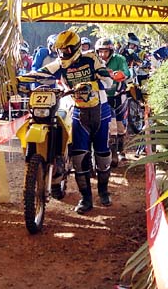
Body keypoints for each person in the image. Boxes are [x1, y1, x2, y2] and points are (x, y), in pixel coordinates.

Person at [36, 30, 115, 214]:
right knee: (79, 158)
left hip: (100, 110)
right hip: (79, 111)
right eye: (61, 50)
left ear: (77, 48)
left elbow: (109, 82)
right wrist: (17, 81)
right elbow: (40, 73)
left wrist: (95, 83)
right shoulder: (59, 64)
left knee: (103, 155)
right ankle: (86, 198)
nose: (63, 53)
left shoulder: (91, 58)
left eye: (67, 49)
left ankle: (103, 191)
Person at [95, 38, 130, 167]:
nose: (103, 54)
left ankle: (121, 150)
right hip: (102, 97)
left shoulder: (119, 59)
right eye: (100, 51)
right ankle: (112, 152)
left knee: (121, 126)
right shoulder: (95, 61)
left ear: (111, 51)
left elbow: (126, 72)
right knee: (111, 125)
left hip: (118, 96)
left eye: (105, 51)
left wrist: (119, 75)